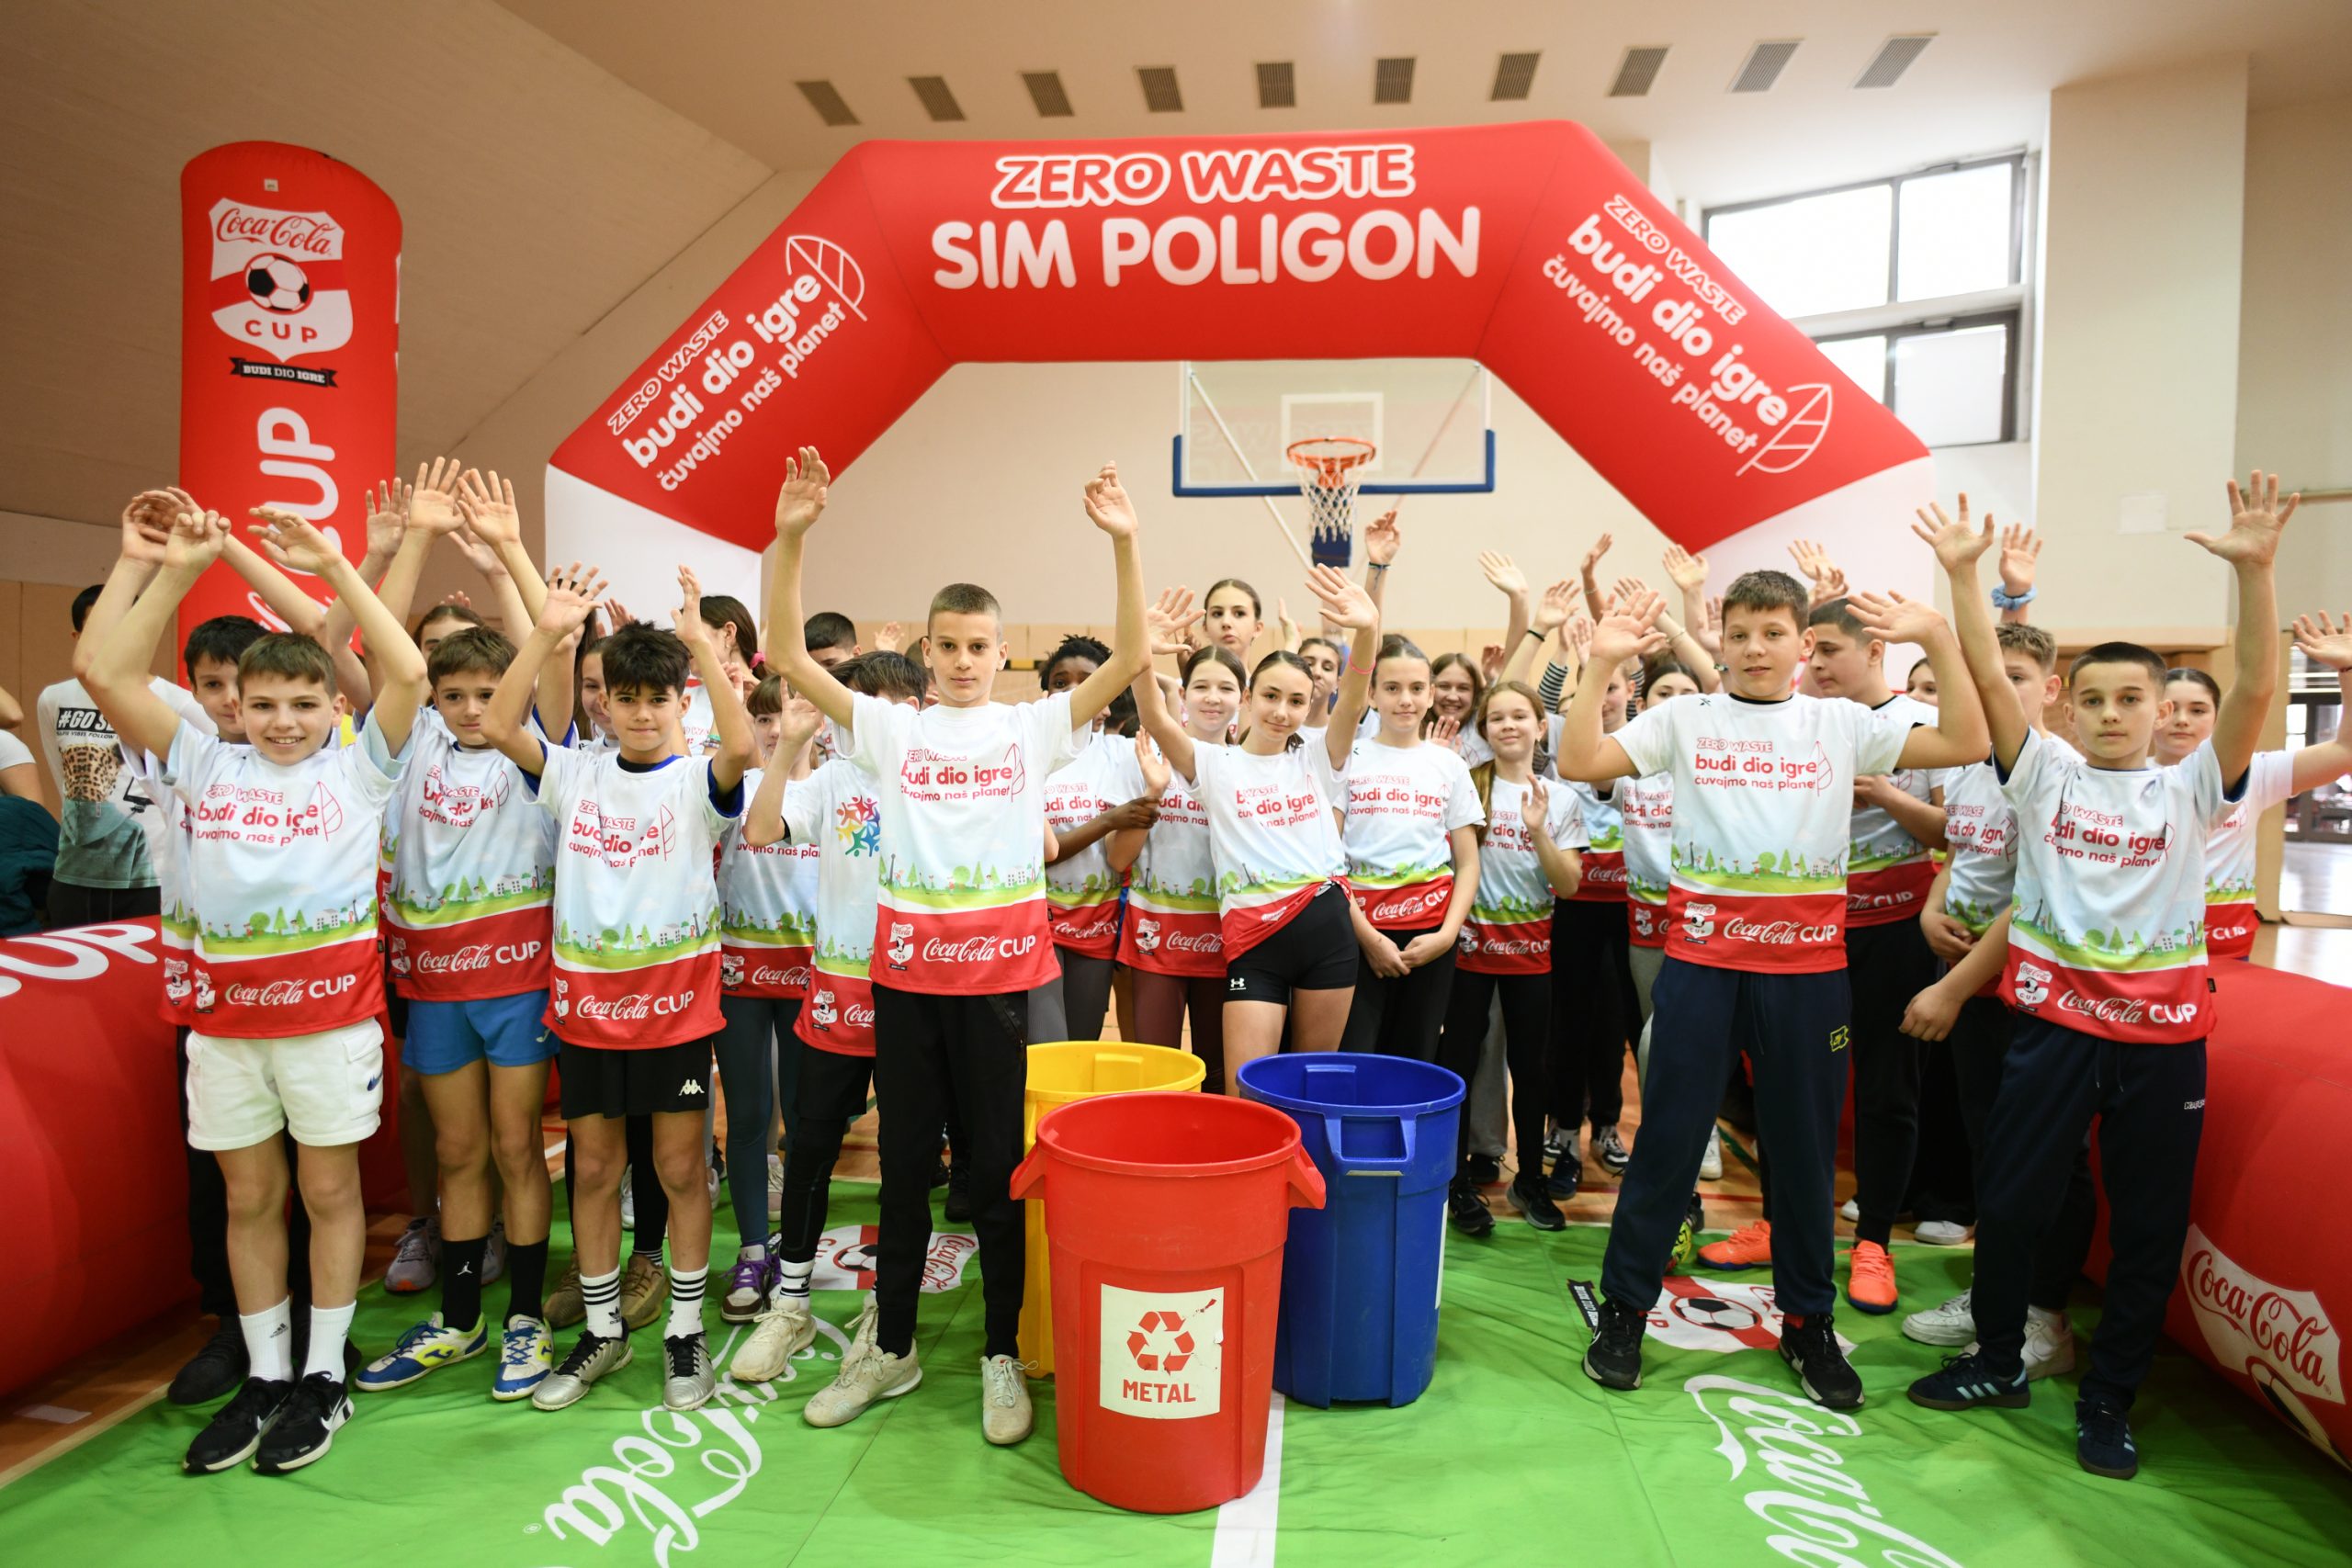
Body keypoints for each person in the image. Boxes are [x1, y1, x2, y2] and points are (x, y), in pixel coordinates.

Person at [1906, 473, 2296, 1483]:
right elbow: (1989, 676)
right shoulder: (2042, 774)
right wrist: (1964, 578)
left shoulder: (2193, 784)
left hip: (2164, 1046)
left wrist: (2255, 572)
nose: (2114, 713)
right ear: (2067, 711)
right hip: (2051, 1033)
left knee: (2147, 1229)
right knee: (2011, 1201)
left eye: (2134, 699)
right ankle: (1999, 1360)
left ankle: (2110, 1398)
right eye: (2095, 699)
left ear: (2163, 711)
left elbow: (2257, 688)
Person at [768, 447, 1148, 1445]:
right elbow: (788, 655)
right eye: (949, 645)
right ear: (928, 651)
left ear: (1000, 652)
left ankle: (998, 1354)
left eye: (980, 645)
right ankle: (889, 1346)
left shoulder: (1030, 730)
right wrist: (792, 535)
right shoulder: (891, 734)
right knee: (903, 1171)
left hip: (1000, 987)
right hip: (905, 988)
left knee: (995, 1174)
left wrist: (1124, 542)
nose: (964, 660)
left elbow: (1130, 658)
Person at [1567, 536, 1989, 1413]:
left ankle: (1806, 1320)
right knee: (1669, 1142)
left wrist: (1937, 639)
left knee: (1801, 1154)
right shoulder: (1685, 718)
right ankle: (1626, 1310)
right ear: (1718, 640)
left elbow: (1967, 737)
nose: (1756, 648)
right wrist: (1601, 661)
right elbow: (1579, 763)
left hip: (1806, 975)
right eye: (1740, 633)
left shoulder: (1842, 723)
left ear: (1804, 643)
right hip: (1700, 966)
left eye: (1773, 632)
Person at [86, 502, 426, 1475]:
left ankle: (322, 1376)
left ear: (331, 709)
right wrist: (159, 565)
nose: (283, 722)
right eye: (264, 703)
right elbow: (105, 672)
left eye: (304, 704)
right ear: (236, 702)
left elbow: (406, 672)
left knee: (327, 1191)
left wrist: (339, 565)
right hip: (227, 1031)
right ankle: (267, 1375)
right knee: (249, 1200)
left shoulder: (359, 773)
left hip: (329, 1029)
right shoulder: (203, 759)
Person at [482, 562, 754, 1416]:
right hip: (589, 1014)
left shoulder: (699, 780)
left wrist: (700, 645)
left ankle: (684, 1331)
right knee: (595, 1168)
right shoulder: (572, 773)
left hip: (675, 1012)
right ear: (604, 705)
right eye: (625, 698)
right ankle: (603, 1331)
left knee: (678, 1169)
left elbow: (742, 747)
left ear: (681, 702)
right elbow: (497, 722)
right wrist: (548, 634)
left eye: (657, 698)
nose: (640, 713)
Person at [1895, 616, 2088, 1380]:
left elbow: (2038, 897)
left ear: (2051, 688)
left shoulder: (2057, 771)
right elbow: (1960, 853)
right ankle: (1995, 1293)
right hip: (1976, 984)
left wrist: (1952, 983)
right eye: (1984, 677)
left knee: (2049, 1157)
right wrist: (1929, 906)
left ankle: (2043, 1312)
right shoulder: (1975, 764)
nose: (1995, 690)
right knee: (1991, 1145)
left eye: (2013, 677)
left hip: (2029, 992)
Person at [731, 651, 926, 1380]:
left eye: (885, 705)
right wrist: (789, 744)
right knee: (810, 1146)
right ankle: (791, 1302)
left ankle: (889, 1306)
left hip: (915, 996)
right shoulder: (834, 780)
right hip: (837, 997)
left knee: (905, 1157)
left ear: (914, 712)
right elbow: (759, 831)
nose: (866, 720)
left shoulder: (934, 776)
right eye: (854, 704)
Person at [1135, 570, 1379, 1089]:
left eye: (1296, 701)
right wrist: (1141, 649)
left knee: (1313, 1087)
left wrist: (1368, 630)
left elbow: (1355, 699)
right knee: (1246, 1092)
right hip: (1254, 941)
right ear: (1247, 696)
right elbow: (1155, 716)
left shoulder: (1321, 756)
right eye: (1271, 696)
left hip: (1327, 931)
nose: (1282, 712)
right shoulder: (1213, 764)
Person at [1802, 592, 1951, 1313]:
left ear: (1874, 650)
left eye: (1829, 649)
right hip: (1811, 929)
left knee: (1889, 1092)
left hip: (1896, 931)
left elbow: (1953, 831)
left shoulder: (1918, 724)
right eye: (1811, 652)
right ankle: (1784, 1222)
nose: (1816, 665)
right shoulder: (1801, 720)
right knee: (1796, 1084)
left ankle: (1875, 1241)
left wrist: (1889, 797)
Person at [1436, 679, 1583, 1235]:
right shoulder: (1468, 785)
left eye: (1519, 716)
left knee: (1531, 1069)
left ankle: (1530, 1181)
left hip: (1531, 958)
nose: (1508, 726)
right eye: (1496, 718)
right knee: (1459, 1064)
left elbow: (1568, 884)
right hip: (1468, 954)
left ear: (1540, 726)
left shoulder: (1561, 799)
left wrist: (1539, 833)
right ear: (1486, 730)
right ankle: (1455, 1181)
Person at [712, 671, 821, 1322]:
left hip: (813, 980)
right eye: (763, 715)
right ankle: (753, 1248)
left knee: (807, 1125)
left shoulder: (836, 791)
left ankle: (798, 1251)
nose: (776, 727)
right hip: (741, 980)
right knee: (750, 1120)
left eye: (788, 713)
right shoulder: (733, 791)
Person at [2153, 632, 2352, 958]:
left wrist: (2349, 672)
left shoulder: (2256, 772)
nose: (2182, 721)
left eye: (2198, 710)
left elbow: (2346, 751)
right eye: (2171, 709)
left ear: (2219, 717)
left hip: (2225, 943)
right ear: (2154, 713)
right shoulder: (2127, 779)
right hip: (2146, 944)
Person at [1338, 636, 1483, 1059]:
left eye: (1417, 688)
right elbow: (1327, 863)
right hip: (1358, 934)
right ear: (1372, 695)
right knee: (1355, 1059)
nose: (1406, 699)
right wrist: (1369, 939)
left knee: (1415, 1062)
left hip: (1430, 940)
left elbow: (1468, 864)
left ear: (1431, 695)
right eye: (1392, 688)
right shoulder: (1346, 758)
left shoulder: (1450, 766)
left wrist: (1446, 936)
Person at [1112, 645, 1244, 1090]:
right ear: (1183, 696)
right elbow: (1118, 858)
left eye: (1226, 688)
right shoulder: (1148, 759)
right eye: (1201, 686)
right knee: (1156, 1073)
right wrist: (1153, 794)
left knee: (1219, 1073)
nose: (1213, 698)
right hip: (1157, 939)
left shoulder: (1247, 768)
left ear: (1242, 698)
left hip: (1225, 941)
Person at [1035, 635, 1152, 1042]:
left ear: (1107, 698)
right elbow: (1043, 853)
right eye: (1060, 682)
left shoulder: (1123, 755)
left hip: (1096, 926)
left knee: (1082, 1042)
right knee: (1044, 1043)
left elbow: (1168, 722)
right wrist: (1108, 820)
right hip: (1039, 923)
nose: (1072, 691)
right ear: (1046, 695)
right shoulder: (1032, 754)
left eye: (1087, 682)